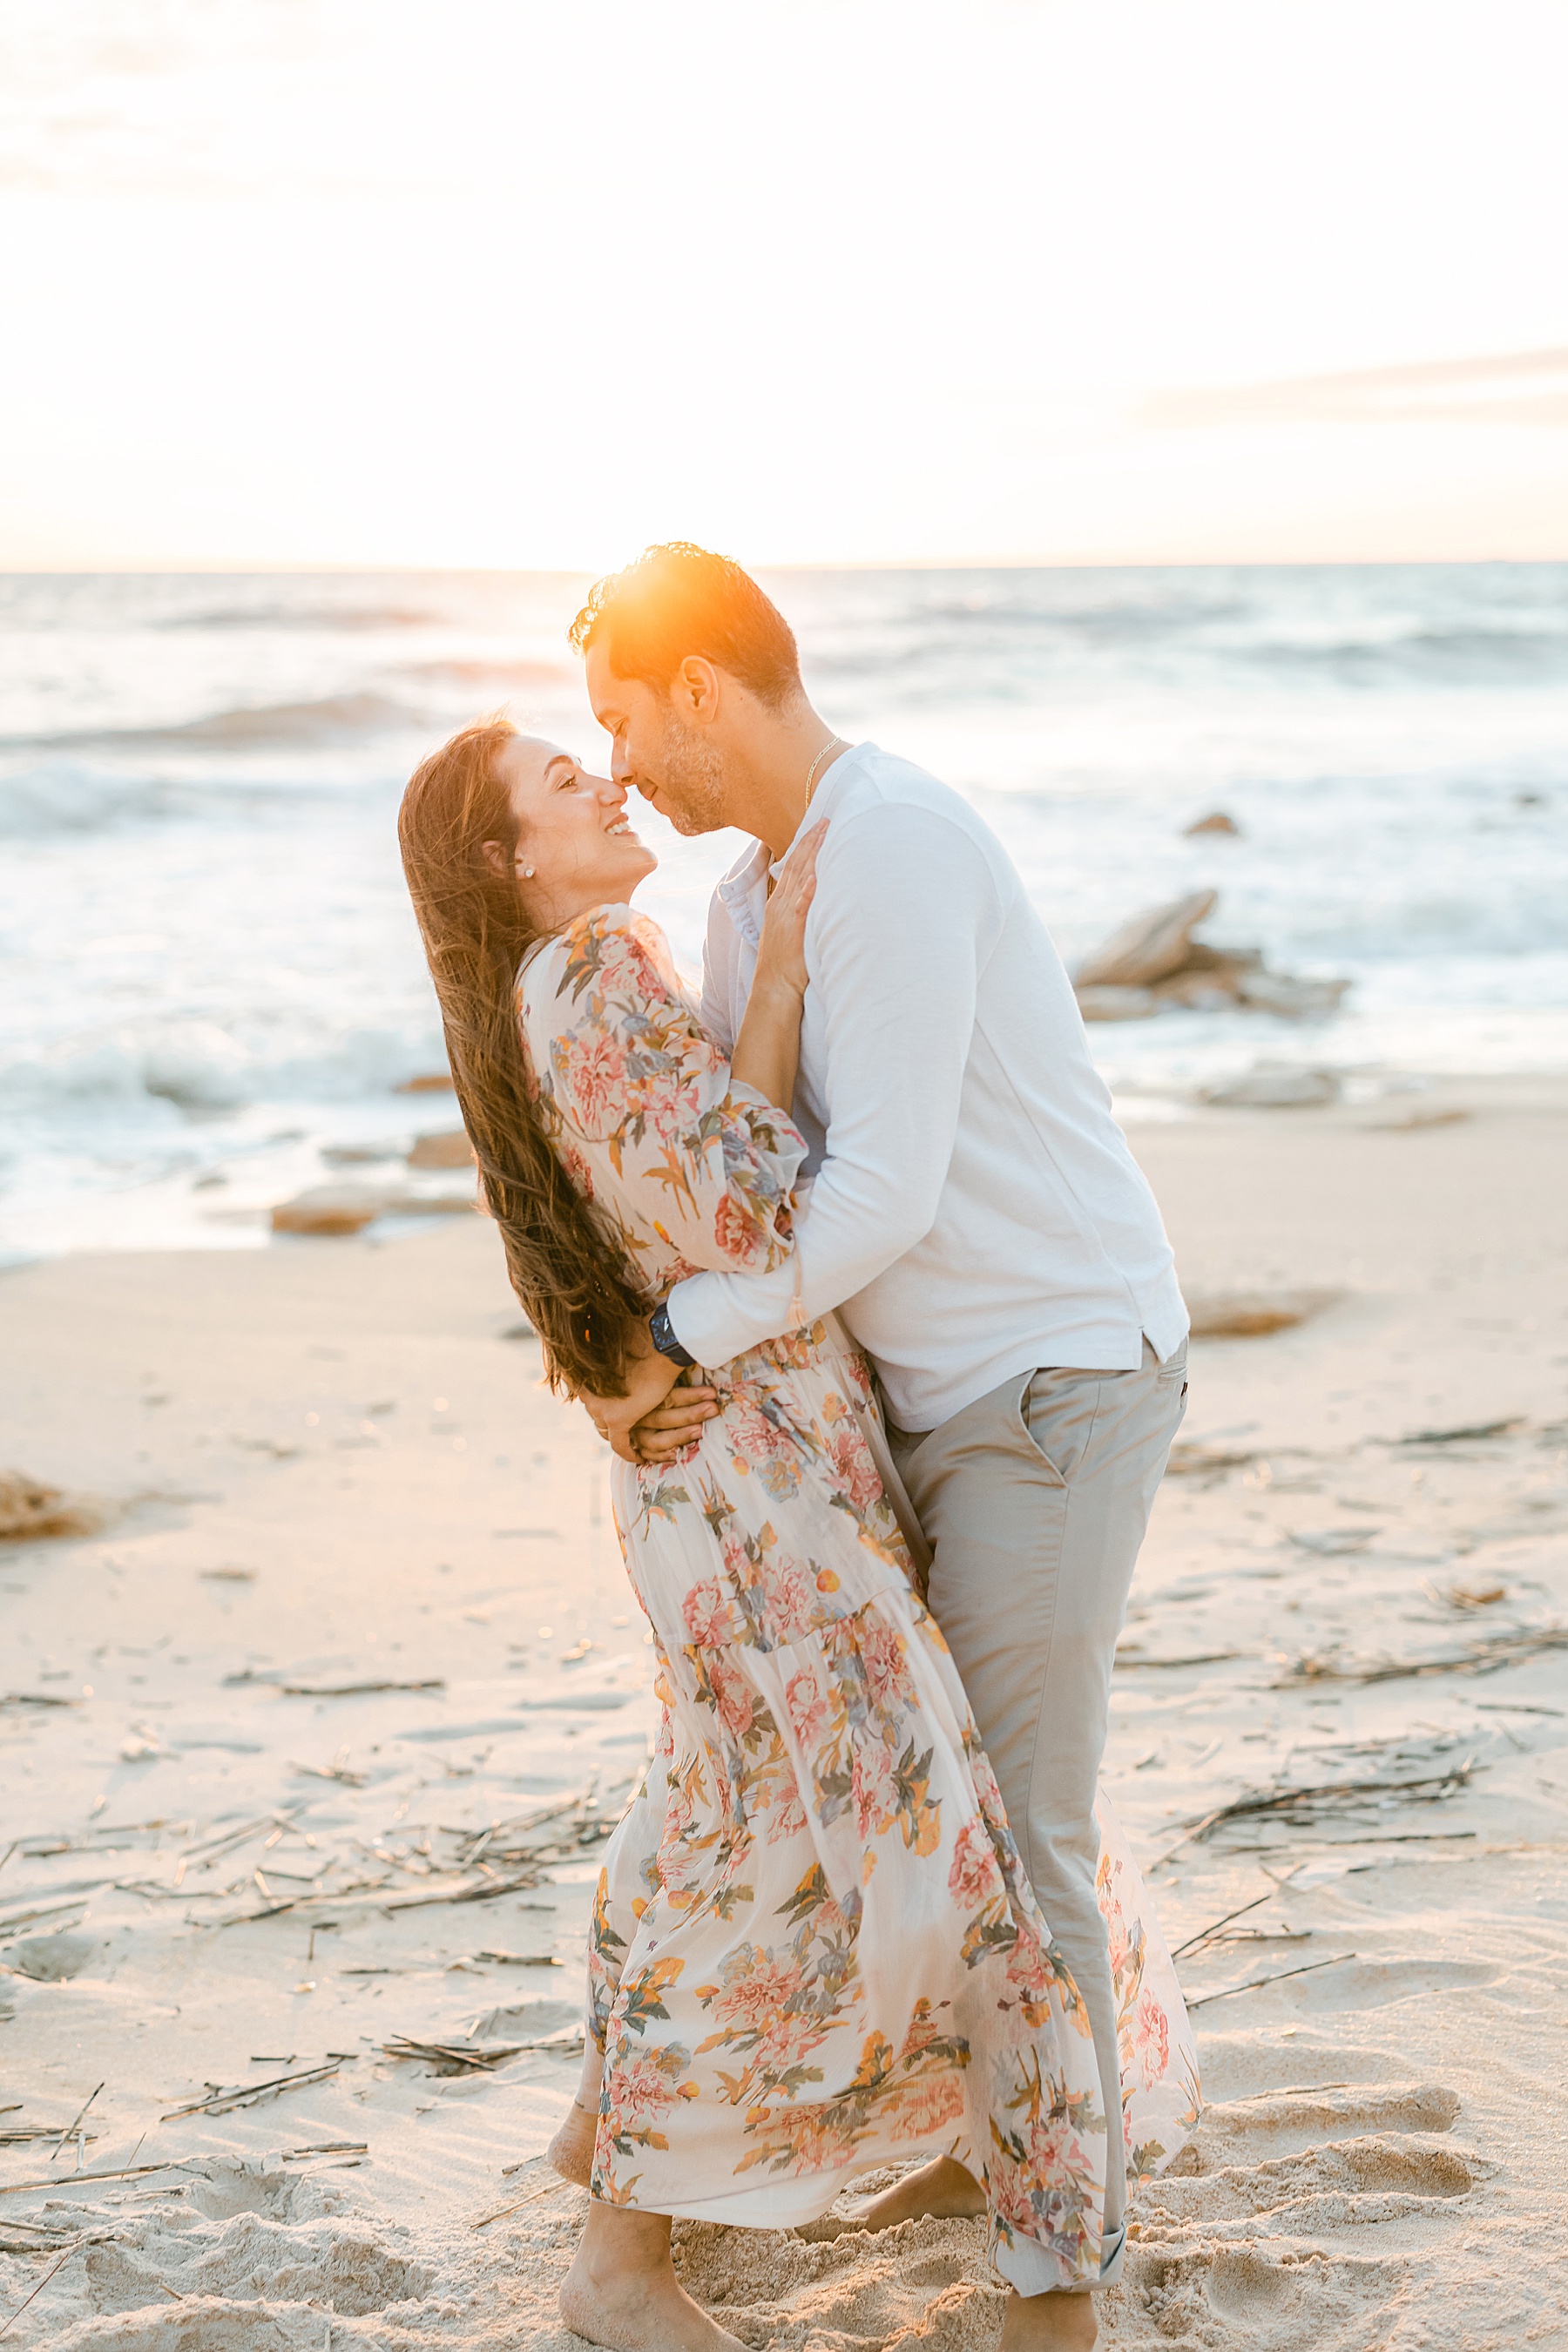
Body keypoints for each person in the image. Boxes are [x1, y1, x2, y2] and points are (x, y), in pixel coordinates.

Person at [397, 712, 1195, 2352]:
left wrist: (762, 1004)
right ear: (510, 863)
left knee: (755, 1812)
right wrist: (778, 997)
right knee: (796, 1833)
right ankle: (626, 2248)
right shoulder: (596, 983)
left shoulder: (578, 977)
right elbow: (762, 1205)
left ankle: (633, 2150)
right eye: (566, 775)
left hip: (756, 1464)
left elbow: (681, 1202)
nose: (606, 776)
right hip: (754, 1475)